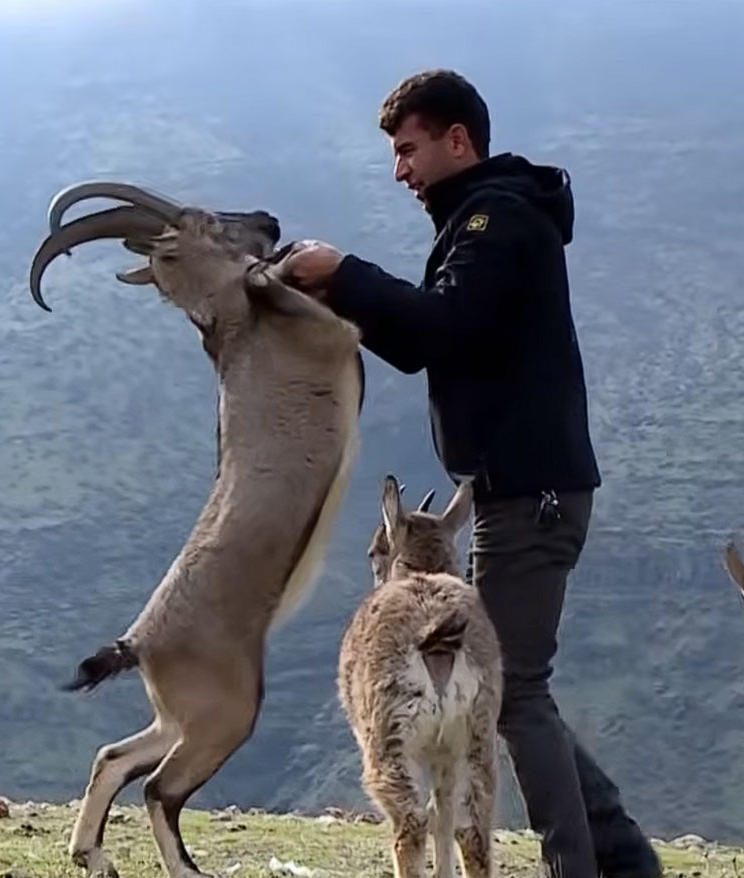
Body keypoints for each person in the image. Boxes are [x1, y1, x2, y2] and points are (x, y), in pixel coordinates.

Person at [278, 68, 663, 878]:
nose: (400, 170)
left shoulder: (495, 222)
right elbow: (425, 342)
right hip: (516, 492)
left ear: (459, 140)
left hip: (533, 495)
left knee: (514, 690)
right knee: (518, 685)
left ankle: (588, 866)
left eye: (409, 148)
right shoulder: (484, 222)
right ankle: (623, 857)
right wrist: (338, 295)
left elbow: (442, 327)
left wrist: (345, 272)